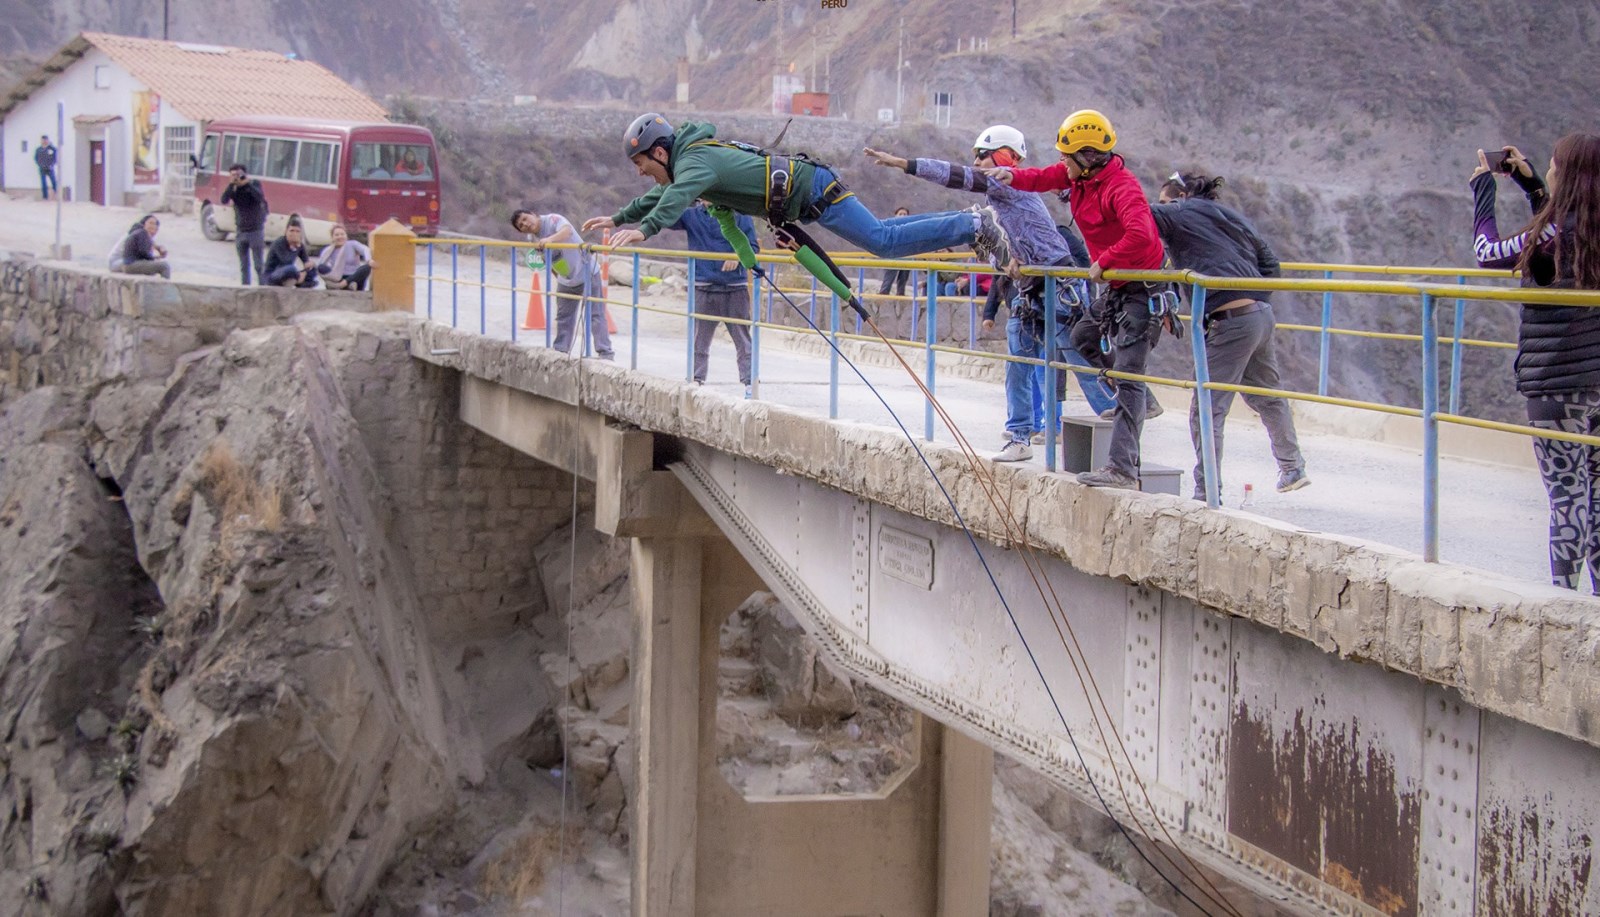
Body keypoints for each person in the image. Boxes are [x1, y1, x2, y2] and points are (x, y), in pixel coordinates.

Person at [866, 126, 1123, 461]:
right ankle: (1020, 436)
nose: (977, 161)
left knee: (1073, 353)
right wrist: (1007, 259)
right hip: (1032, 288)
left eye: (983, 154)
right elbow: (1002, 237)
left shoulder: (1009, 182)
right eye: (977, 155)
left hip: (1058, 286)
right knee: (1019, 363)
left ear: (1006, 156)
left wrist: (904, 163)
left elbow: (954, 175)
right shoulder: (1003, 198)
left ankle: (1120, 417)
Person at [582, 113, 1015, 272]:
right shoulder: (696, 171)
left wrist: (644, 230)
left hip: (815, 190)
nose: (641, 175)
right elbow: (705, 213)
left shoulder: (694, 163)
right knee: (883, 234)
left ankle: (972, 224)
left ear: (660, 152)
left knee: (882, 242)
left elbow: (669, 199)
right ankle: (971, 224)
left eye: (641, 165)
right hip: (810, 193)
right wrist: (621, 218)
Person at [986, 109, 1167, 489]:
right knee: (1084, 336)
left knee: (1128, 376)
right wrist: (1012, 175)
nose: (1062, 163)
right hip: (1117, 287)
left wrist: (1106, 260)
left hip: (1141, 288)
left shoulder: (1122, 187)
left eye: (1068, 157)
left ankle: (1122, 468)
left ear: (1086, 157)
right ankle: (1138, 398)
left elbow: (1143, 234)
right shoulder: (1083, 179)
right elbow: (1043, 176)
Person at [1472, 134, 1600, 591]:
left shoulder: (1558, 230)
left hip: (1556, 386)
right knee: (1597, 496)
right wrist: (1531, 192)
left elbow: (1488, 254)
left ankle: (1563, 602)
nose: (1545, 169)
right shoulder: (1585, 227)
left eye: (1550, 165)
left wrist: (1484, 188)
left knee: (1567, 495)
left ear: (1564, 174)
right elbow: (1555, 241)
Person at [1153, 172, 1309, 500]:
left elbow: (1138, 213)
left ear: (1180, 198)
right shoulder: (1230, 217)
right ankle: (1292, 466)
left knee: (1207, 405)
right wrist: (1252, 301)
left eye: (1166, 202)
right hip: (1260, 316)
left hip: (1231, 321)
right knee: (1266, 395)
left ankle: (1206, 490)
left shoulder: (1180, 212)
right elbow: (1270, 264)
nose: (1163, 209)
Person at [663, 201, 757, 392]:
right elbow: (666, 219)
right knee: (700, 337)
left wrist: (737, 256)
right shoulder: (692, 216)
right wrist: (667, 191)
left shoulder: (740, 214)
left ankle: (750, 382)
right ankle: (696, 379)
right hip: (703, 284)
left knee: (742, 337)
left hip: (734, 285)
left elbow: (753, 247)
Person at [511, 208, 614, 360]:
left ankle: (605, 352)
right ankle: (560, 351)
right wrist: (559, 277)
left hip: (587, 272)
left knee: (596, 314)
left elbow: (567, 231)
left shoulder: (553, 219)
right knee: (563, 316)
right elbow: (549, 262)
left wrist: (550, 240)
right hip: (566, 279)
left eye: (525, 219)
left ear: (533, 214)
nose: (525, 224)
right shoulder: (534, 241)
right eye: (521, 225)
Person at [220, 163, 269, 285]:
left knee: (259, 265)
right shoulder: (233, 188)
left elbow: (259, 197)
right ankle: (245, 288)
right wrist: (232, 184)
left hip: (255, 230)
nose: (236, 177)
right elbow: (223, 200)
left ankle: (263, 289)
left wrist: (247, 184)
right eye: (233, 175)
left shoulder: (254, 184)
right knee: (244, 265)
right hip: (241, 231)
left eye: (238, 174)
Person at [314, 224, 373, 290]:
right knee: (321, 267)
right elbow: (320, 265)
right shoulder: (328, 250)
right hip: (338, 277)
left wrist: (369, 260)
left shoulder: (352, 244)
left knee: (366, 267)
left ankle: (344, 284)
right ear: (332, 237)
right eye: (337, 235)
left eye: (342, 234)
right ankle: (342, 285)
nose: (340, 237)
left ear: (346, 236)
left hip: (354, 277)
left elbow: (365, 249)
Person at [111, 215, 171, 279]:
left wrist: (157, 254)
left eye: (155, 228)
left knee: (152, 268)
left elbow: (147, 249)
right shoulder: (142, 233)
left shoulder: (139, 232)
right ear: (144, 224)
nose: (153, 229)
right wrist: (154, 258)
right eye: (151, 224)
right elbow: (143, 252)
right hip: (118, 262)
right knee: (164, 266)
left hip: (126, 263)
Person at [264, 218, 317, 288]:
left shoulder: (300, 244)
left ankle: (301, 283)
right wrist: (294, 247)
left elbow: (306, 262)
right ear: (286, 232)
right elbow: (286, 261)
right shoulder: (279, 243)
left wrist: (309, 266)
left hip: (290, 273)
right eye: (291, 231)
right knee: (292, 269)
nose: (294, 234)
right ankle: (299, 281)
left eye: (297, 231)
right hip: (274, 273)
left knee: (313, 269)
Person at [878, 207, 917, 297]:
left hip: (907, 256)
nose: (902, 216)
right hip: (893, 255)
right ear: (895, 215)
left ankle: (900, 295)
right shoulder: (890, 227)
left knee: (903, 279)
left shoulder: (912, 227)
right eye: (900, 214)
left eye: (905, 214)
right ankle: (883, 295)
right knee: (889, 278)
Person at [34, 135, 57, 201]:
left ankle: (56, 194)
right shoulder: (39, 149)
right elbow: (36, 158)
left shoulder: (51, 149)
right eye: (43, 140)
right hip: (42, 168)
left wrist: (52, 164)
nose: (44, 141)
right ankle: (45, 197)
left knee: (54, 182)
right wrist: (40, 164)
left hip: (50, 168)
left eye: (46, 140)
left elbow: (54, 157)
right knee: (43, 183)